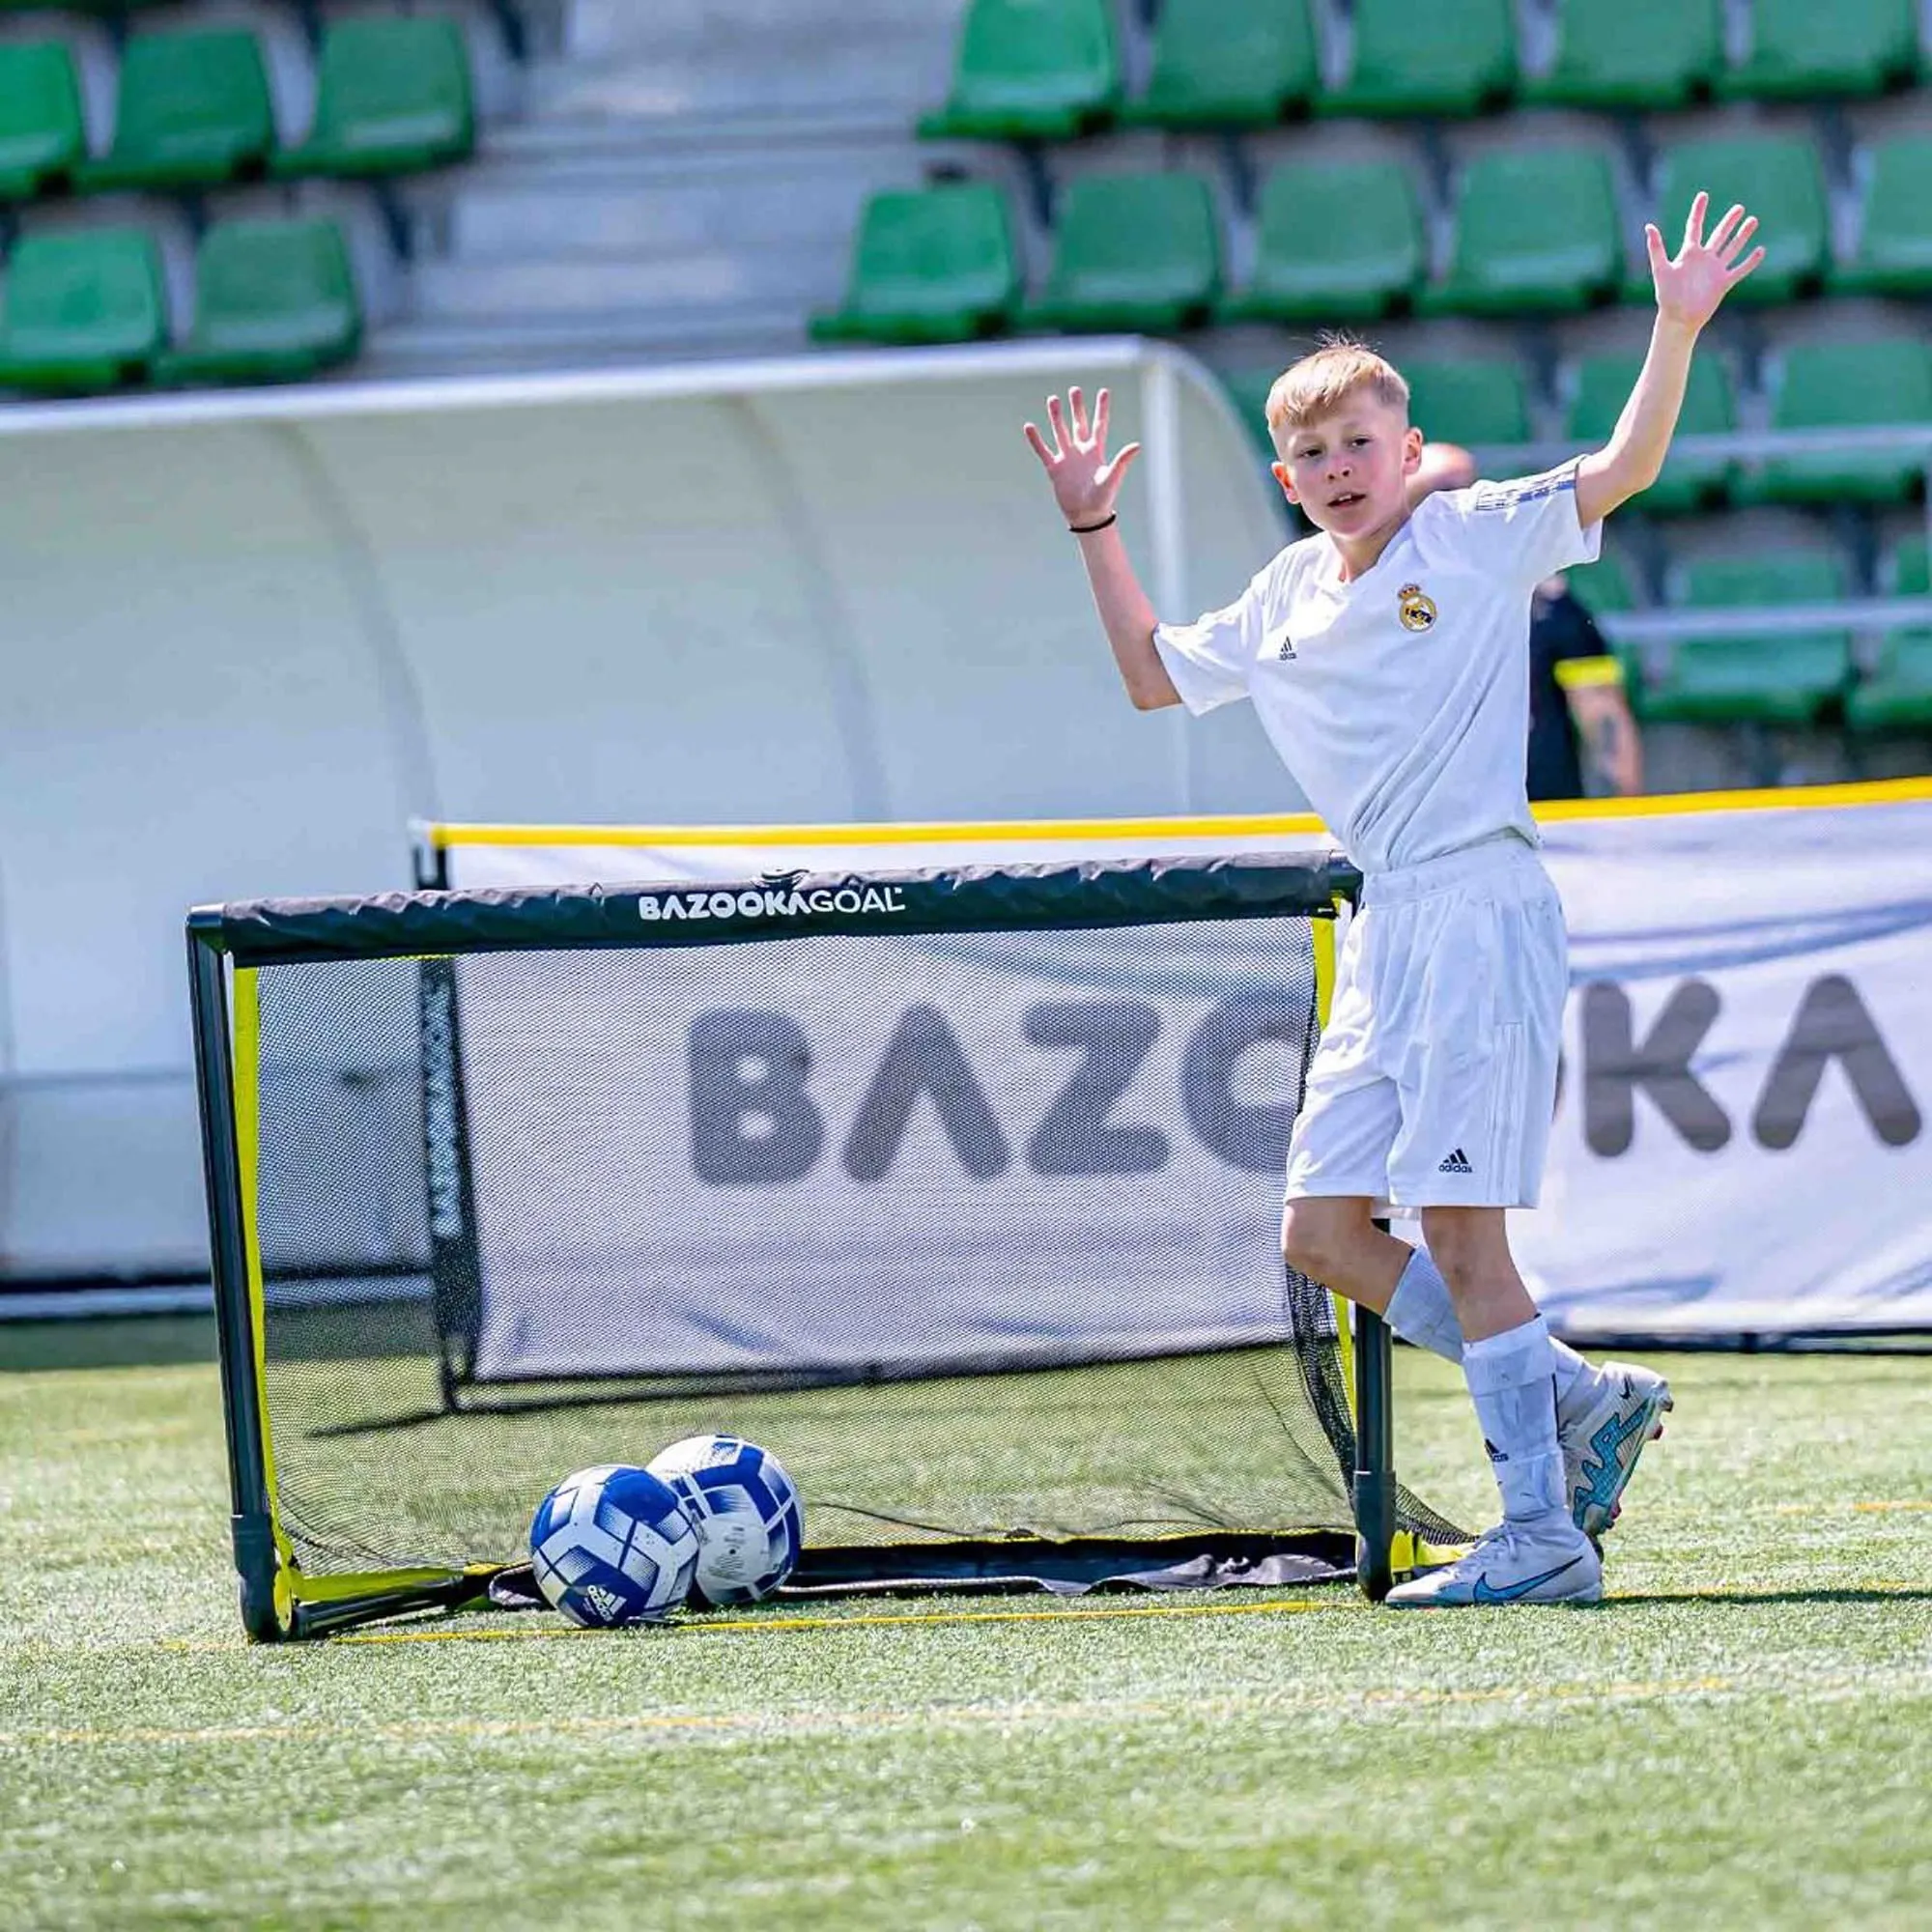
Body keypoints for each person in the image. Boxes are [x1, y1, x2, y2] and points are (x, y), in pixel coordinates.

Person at [1024, 192, 1763, 1607]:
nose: (1338, 464)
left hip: (1479, 907)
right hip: (1387, 927)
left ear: (1406, 451)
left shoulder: (1472, 538)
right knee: (1320, 1236)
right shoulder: (1286, 593)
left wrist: (1674, 328)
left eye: (1361, 441)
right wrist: (1093, 525)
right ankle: (1576, 1397)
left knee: (1466, 1238)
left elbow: (1623, 465)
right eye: (1310, 452)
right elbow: (1146, 674)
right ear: (1287, 477)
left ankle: (1542, 1540)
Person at [1408, 445, 1647, 801]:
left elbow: (1601, 712)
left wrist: (1626, 815)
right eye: (1435, 494)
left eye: (1466, 488)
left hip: (1544, 824)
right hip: (1433, 829)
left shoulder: (1549, 605)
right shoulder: (1377, 606)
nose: (1453, 505)